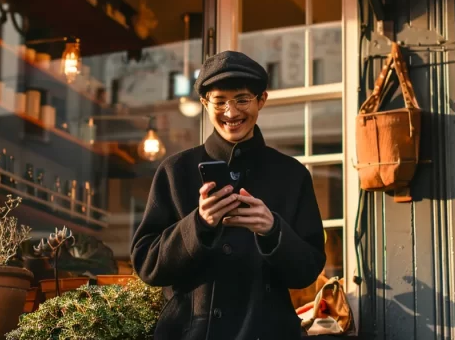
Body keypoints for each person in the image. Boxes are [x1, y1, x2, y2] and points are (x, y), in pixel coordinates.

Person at [130, 51, 327, 340]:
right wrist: (198, 224)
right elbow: (147, 265)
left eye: (242, 100)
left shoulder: (292, 175)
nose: (231, 113)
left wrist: (272, 230)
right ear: (204, 104)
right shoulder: (175, 171)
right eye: (220, 101)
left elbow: (307, 271)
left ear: (262, 100)